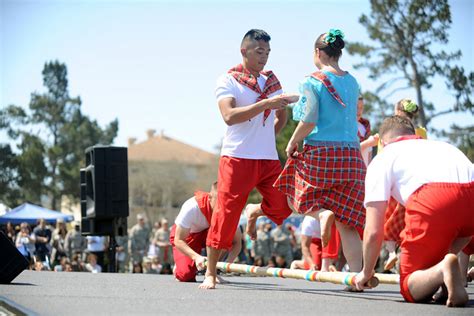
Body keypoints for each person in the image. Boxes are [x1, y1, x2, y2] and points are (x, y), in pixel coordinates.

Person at [202, 29, 294, 289]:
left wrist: (266, 135)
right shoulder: (228, 79)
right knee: (225, 215)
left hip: (267, 158)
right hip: (236, 157)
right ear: (244, 51)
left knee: (284, 205)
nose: (264, 57)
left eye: (267, 52)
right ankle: (210, 273)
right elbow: (229, 116)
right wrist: (265, 105)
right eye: (259, 51)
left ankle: (254, 211)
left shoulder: (270, 81)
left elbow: (282, 116)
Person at [354, 116, 474, 307]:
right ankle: (446, 276)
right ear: (413, 135)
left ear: (383, 143)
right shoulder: (443, 146)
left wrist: (366, 272)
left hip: (432, 200)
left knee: (410, 287)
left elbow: (374, 230)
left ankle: (443, 269)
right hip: (471, 196)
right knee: (458, 231)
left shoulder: (384, 157)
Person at [274, 29, 365, 277]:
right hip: (352, 157)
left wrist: (293, 141)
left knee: (296, 195)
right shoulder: (352, 81)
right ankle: (357, 276)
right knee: (347, 223)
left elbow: (310, 118)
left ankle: (322, 214)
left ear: (317, 52)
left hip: (322, 152)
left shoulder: (312, 80)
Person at [383, 99, 427, 271]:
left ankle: (391, 252)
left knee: (389, 221)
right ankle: (405, 255)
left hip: (396, 180)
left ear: (397, 110)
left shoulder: (391, 129)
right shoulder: (421, 132)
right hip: (417, 182)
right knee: (410, 221)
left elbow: (383, 154)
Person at [170, 182, 242, 282]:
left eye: (225, 203)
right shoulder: (192, 207)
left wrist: (228, 263)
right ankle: (179, 265)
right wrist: (196, 257)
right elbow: (178, 240)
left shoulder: (228, 210)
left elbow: (237, 242)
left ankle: (211, 271)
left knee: (226, 234)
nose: (221, 208)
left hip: (206, 234)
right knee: (185, 275)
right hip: (186, 238)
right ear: (209, 197)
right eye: (218, 203)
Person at [357, 96, 379, 166]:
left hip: (364, 170)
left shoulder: (365, 126)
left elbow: (369, 151)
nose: (359, 111)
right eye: (356, 107)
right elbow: (350, 151)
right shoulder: (346, 127)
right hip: (352, 169)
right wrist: (369, 142)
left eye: (361, 108)